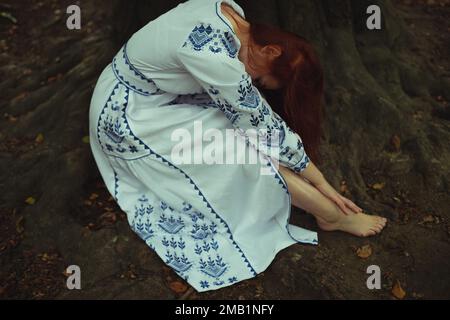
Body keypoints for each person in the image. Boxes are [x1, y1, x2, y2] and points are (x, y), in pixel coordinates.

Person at [88, 0, 387, 293]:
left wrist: (309, 171)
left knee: (244, 133)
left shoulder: (227, 10)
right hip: (127, 116)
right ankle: (330, 213)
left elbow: (256, 118)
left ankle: (323, 207)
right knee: (237, 145)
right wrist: (323, 181)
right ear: (270, 49)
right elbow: (260, 122)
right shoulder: (213, 55)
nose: (252, 81)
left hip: (157, 97)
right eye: (262, 79)